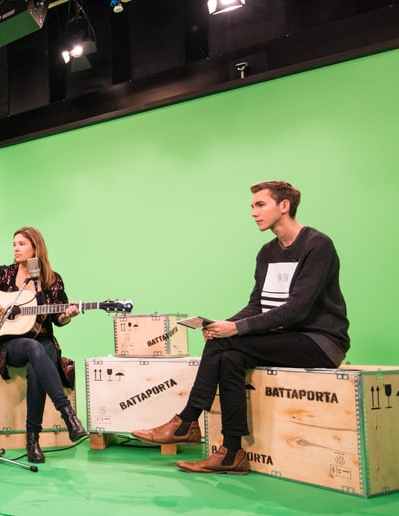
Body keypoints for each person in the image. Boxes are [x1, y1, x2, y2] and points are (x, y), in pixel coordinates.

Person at [131, 180, 349, 474]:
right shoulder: (267, 252)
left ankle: (187, 420)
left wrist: (234, 331)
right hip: (284, 338)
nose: (253, 212)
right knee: (229, 355)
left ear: (284, 206)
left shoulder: (316, 245)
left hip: (320, 342)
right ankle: (232, 453)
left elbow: (297, 310)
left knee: (225, 344)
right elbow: (256, 306)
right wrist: (224, 325)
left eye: (260, 205)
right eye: (252, 206)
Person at [0, 226, 87, 463]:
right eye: (14, 244)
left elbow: (58, 319)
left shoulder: (51, 279)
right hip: (11, 344)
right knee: (33, 349)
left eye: (21, 244)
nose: (16, 248)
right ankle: (68, 415)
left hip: (43, 339)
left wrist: (68, 314)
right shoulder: (5, 274)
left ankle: (32, 441)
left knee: (39, 358)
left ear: (35, 248)